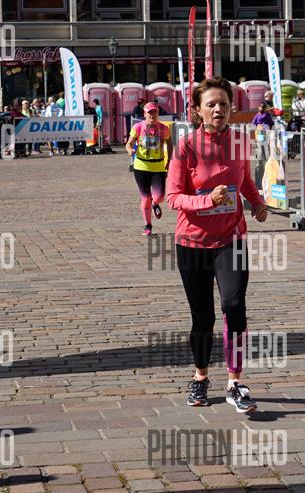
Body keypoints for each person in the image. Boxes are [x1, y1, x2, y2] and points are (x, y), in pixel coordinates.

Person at [165, 76, 267, 413]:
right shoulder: (186, 146)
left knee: (234, 305)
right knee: (203, 316)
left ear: (231, 108)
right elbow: (173, 197)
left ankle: (235, 382)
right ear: (198, 110)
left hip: (230, 238)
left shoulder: (240, 141)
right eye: (211, 104)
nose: (218, 109)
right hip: (192, 242)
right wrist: (207, 201)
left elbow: (245, 179)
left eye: (223, 103)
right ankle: (200, 376)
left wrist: (257, 202)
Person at [125, 102, 173, 236]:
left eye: (154, 112)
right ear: (144, 114)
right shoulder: (138, 127)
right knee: (146, 197)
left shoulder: (164, 128)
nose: (152, 115)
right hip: (141, 166)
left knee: (159, 196)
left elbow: (169, 143)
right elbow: (129, 143)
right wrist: (129, 150)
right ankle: (148, 225)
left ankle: (155, 203)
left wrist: (169, 160)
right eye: (149, 112)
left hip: (158, 166)